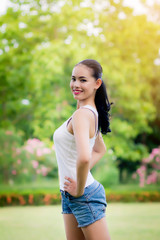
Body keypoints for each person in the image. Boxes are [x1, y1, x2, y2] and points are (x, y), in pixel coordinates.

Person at [53, 59, 112, 240]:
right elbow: (99, 150)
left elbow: (86, 157)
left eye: (83, 80)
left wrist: (78, 188)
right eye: (73, 79)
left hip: (83, 194)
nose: (76, 84)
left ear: (97, 83)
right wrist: (76, 184)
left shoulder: (83, 115)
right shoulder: (87, 113)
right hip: (70, 194)